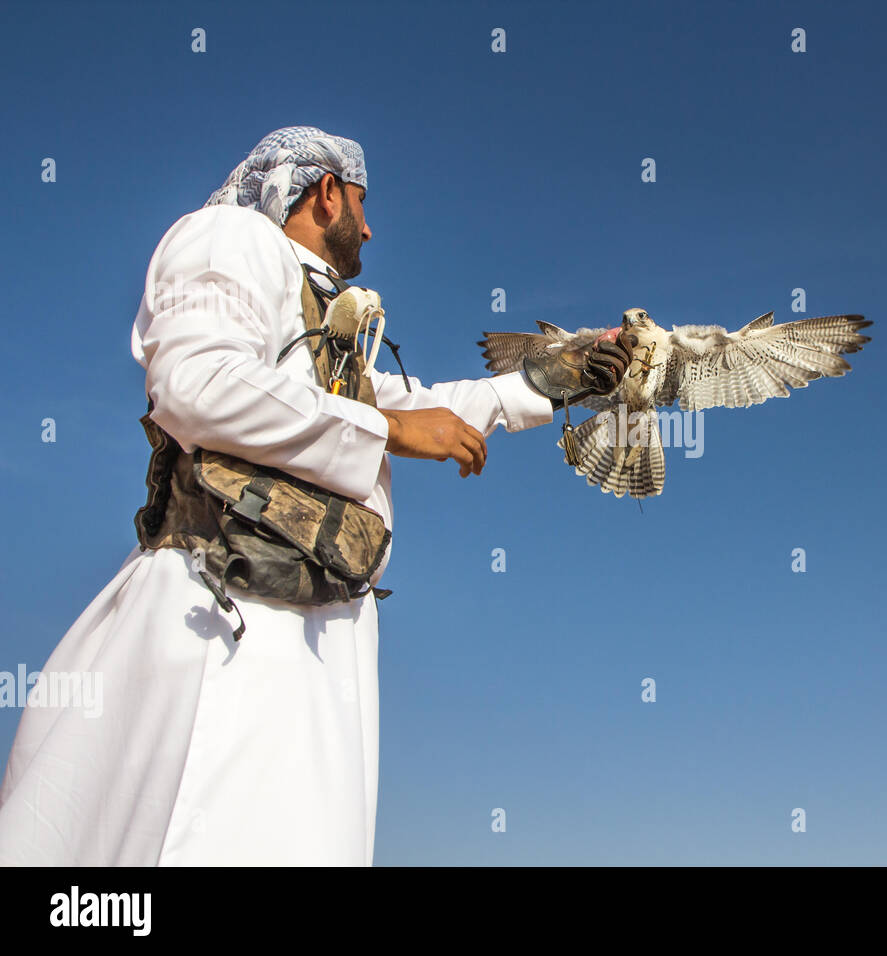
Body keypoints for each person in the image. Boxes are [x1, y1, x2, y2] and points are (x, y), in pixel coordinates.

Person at [0, 126, 634, 865]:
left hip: (313, 638)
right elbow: (198, 384)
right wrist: (388, 428)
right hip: (223, 622)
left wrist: (551, 381)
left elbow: (415, 403)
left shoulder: (319, 320)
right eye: (361, 204)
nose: (368, 227)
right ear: (326, 191)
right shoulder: (229, 238)